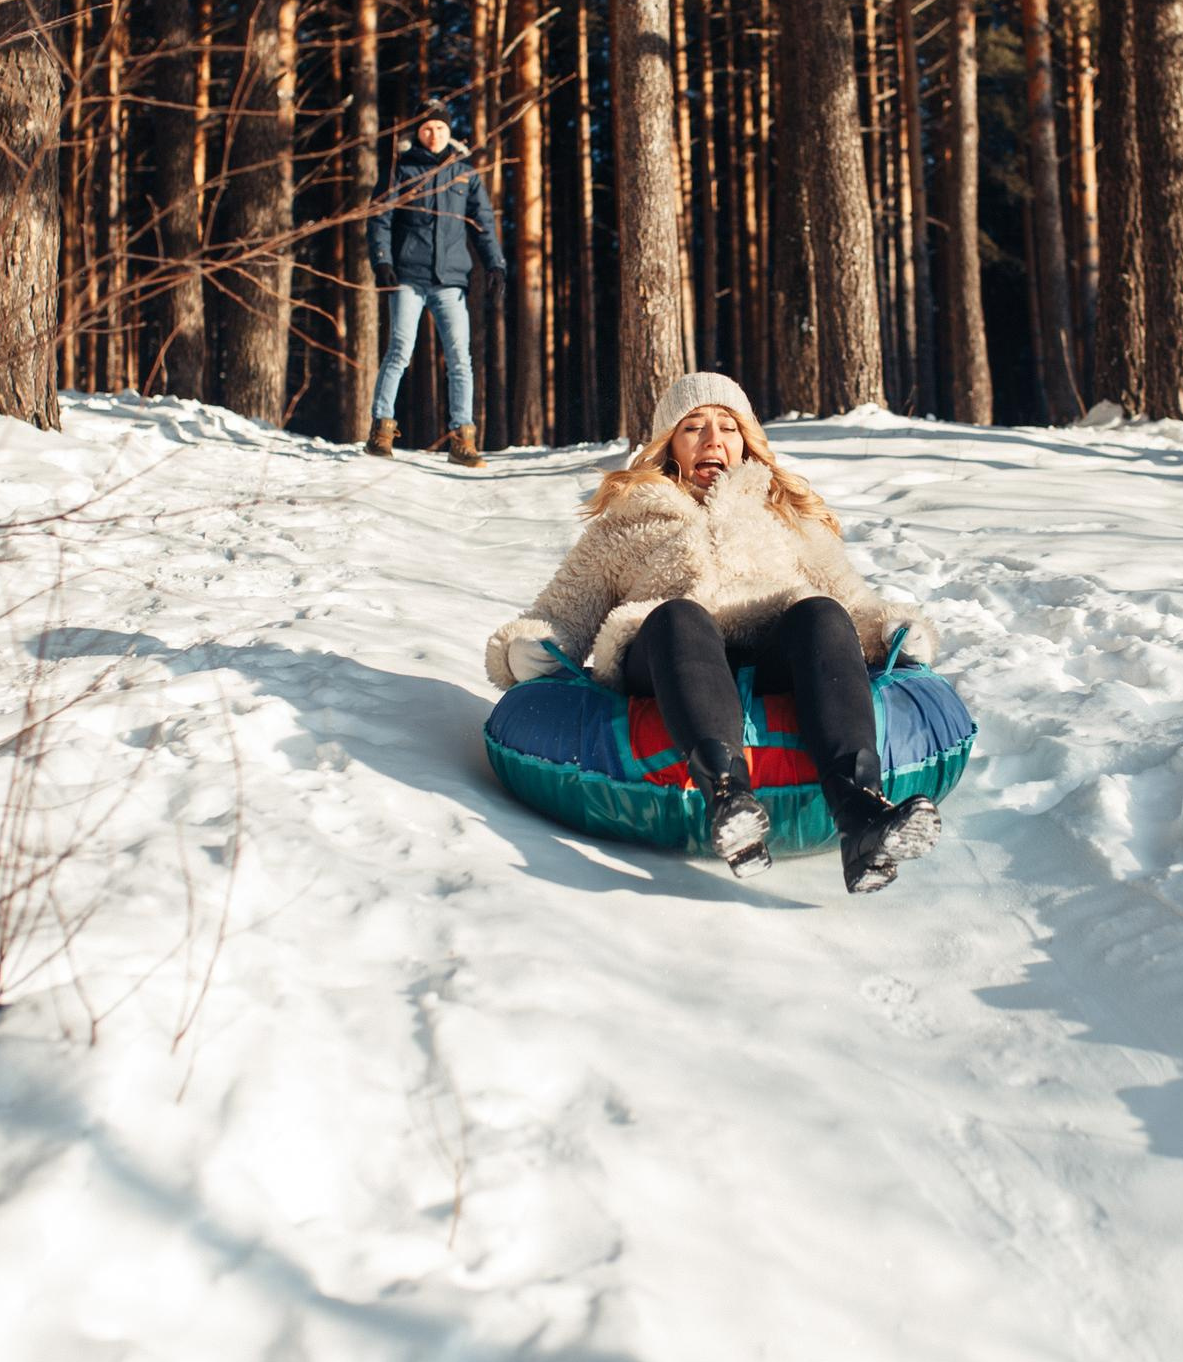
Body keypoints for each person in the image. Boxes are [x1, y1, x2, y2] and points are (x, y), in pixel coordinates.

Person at [484, 372, 945, 893]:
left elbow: (853, 600)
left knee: (821, 611)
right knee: (679, 614)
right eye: (694, 428)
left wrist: (891, 630)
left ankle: (860, 812)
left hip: (769, 648)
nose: (713, 440)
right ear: (669, 446)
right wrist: (528, 647)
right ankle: (728, 799)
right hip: (665, 653)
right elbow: (564, 610)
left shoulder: (782, 512)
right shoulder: (627, 523)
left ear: (745, 440)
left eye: (727, 427)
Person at [365, 111, 507, 466]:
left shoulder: (464, 172)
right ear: (418, 132)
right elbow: (380, 217)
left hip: (450, 281)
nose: (434, 134)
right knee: (399, 350)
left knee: (460, 359)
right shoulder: (402, 168)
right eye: (427, 128)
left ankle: (463, 441)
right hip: (408, 277)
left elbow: (483, 223)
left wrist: (496, 264)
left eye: (440, 127)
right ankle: (381, 432)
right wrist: (382, 260)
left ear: (449, 131)